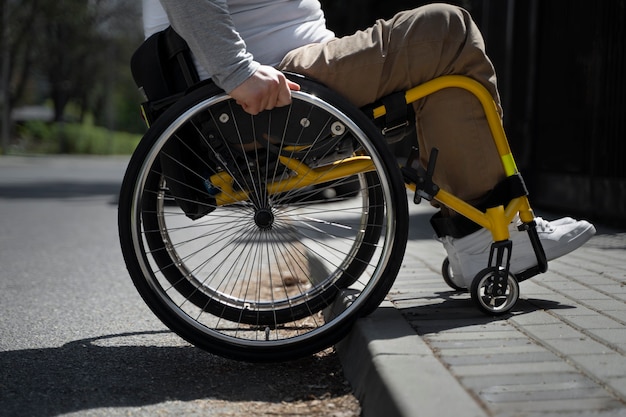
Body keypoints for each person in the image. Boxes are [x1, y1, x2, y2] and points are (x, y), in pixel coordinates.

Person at [142, 0, 596, 289]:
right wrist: (238, 72)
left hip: (292, 67)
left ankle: (479, 235)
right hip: (272, 81)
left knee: (445, 70)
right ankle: (483, 233)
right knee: (447, 29)